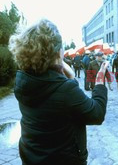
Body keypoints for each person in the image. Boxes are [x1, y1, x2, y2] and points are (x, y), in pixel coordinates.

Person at [9, 19, 109, 165]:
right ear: (57, 52)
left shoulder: (23, 80)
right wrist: (99, 82)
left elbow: (58, 98)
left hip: (32, 156)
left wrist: (65, 73)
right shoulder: (65, 90)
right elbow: (97, 114)